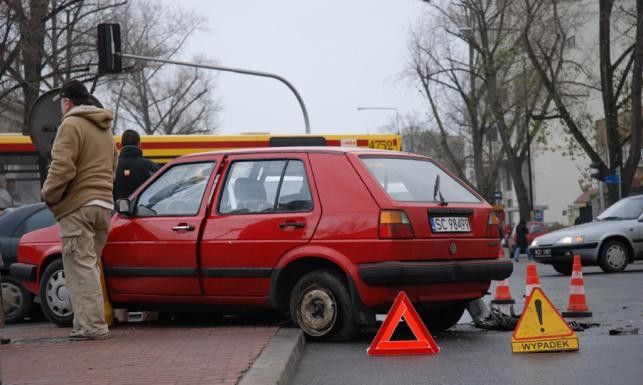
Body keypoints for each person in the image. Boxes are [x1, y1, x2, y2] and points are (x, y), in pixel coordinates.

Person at [41, 80, 118, 340]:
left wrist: (48, 194)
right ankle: (84, 323)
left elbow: (62, 166)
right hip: (104, 206)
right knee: (88, 266)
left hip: (79, 206)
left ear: (67, 102)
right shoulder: (105, 128)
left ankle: (92, 327)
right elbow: (113, 166)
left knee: (79, 269)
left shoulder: (71, 124)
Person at [113, 129, 159, 201]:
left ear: (120, 145)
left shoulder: (111, 166)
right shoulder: (151, 167)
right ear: (139, 144)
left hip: (116, 211)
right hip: (143, 210)